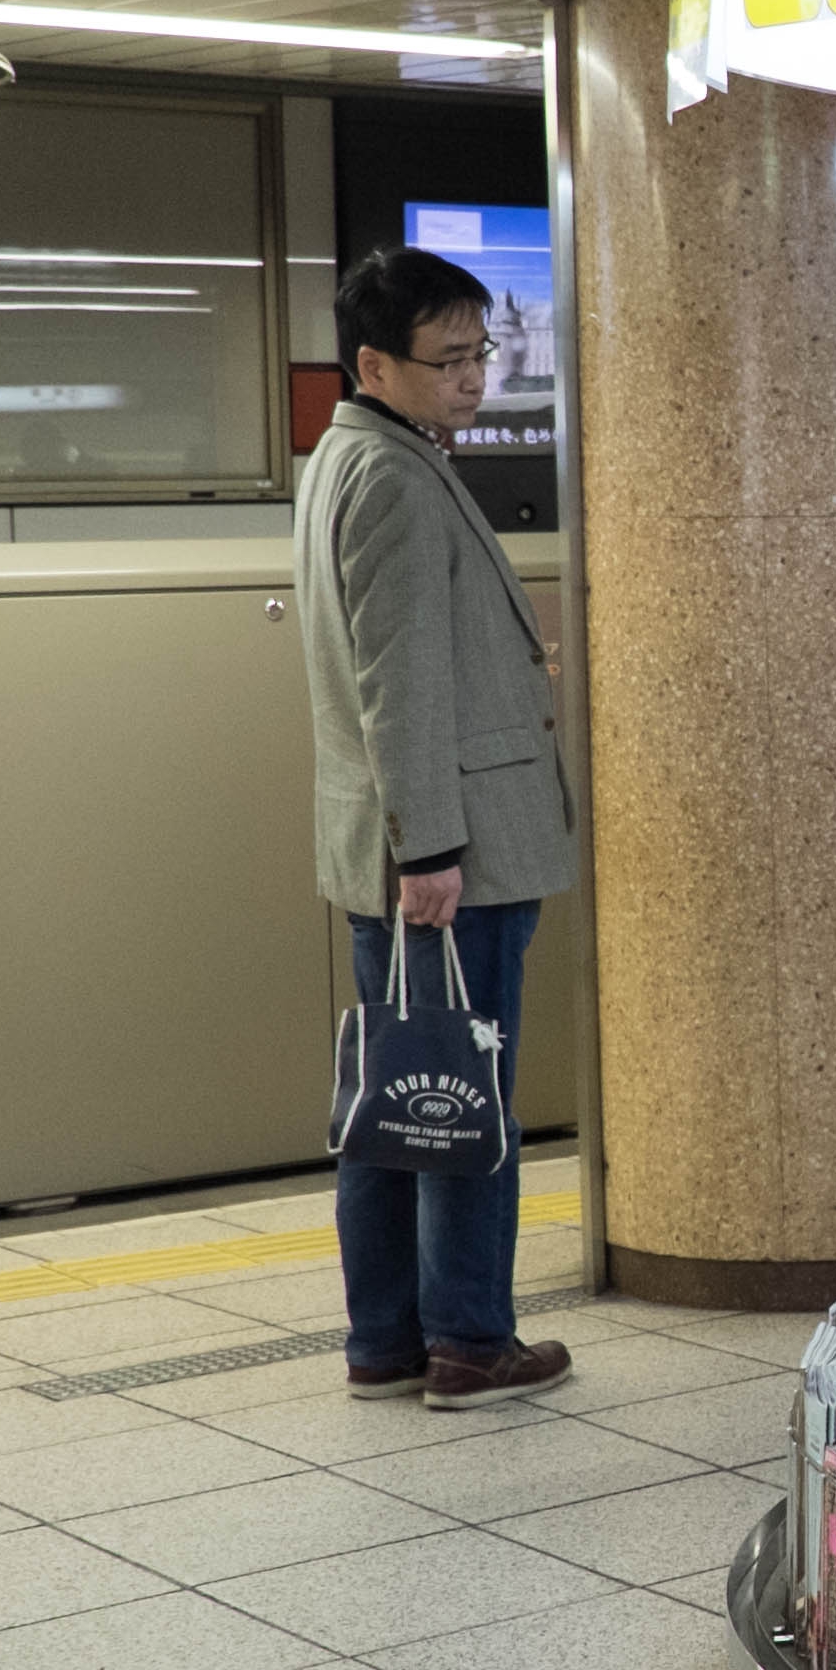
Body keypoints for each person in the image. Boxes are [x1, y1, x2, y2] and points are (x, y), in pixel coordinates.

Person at [296, 246, 577, 1409]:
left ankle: (387, 1340)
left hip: (410, 837)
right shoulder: (399, 481)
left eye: (483, 352)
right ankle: (467, 1335)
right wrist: (432, 852)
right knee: (460, 1090)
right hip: (446, 850)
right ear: (376, 362)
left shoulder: (351, 455)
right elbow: (398, 679)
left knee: (396, 1095)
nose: (474, 377)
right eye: (450, 359)